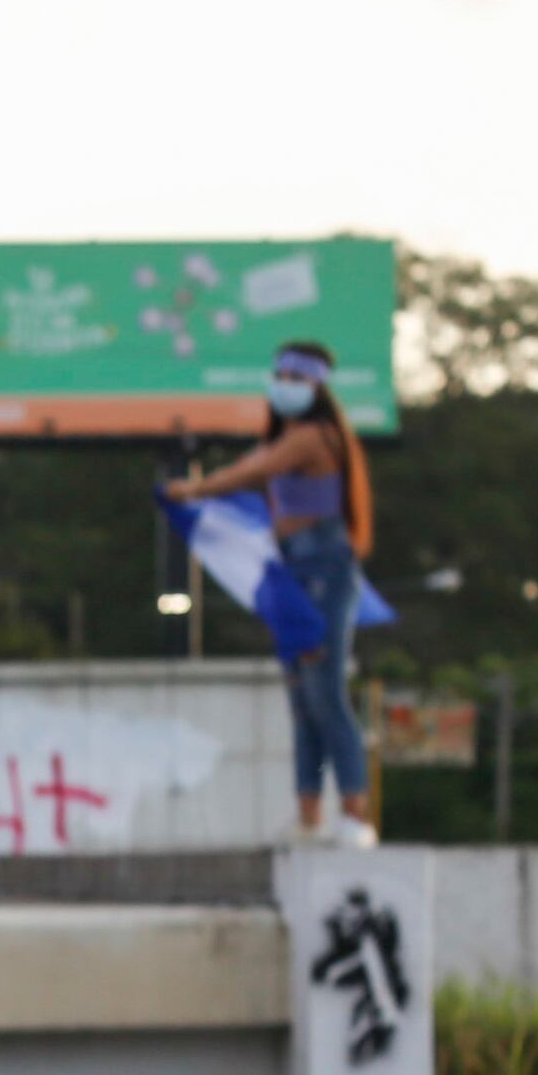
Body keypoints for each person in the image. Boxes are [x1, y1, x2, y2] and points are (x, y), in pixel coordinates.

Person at [164, 336, 382, 846]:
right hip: (291, 569)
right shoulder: (282, 437)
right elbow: (252, 467)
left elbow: (252, 472)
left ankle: (355, 813)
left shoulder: (315, 437)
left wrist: (194, 489)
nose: (285, 387)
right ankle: (309, 816)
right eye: (280, 377)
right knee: (301, 700)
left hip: (324, 568)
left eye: (296, 379)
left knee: (326, 693)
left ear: (318, 387)